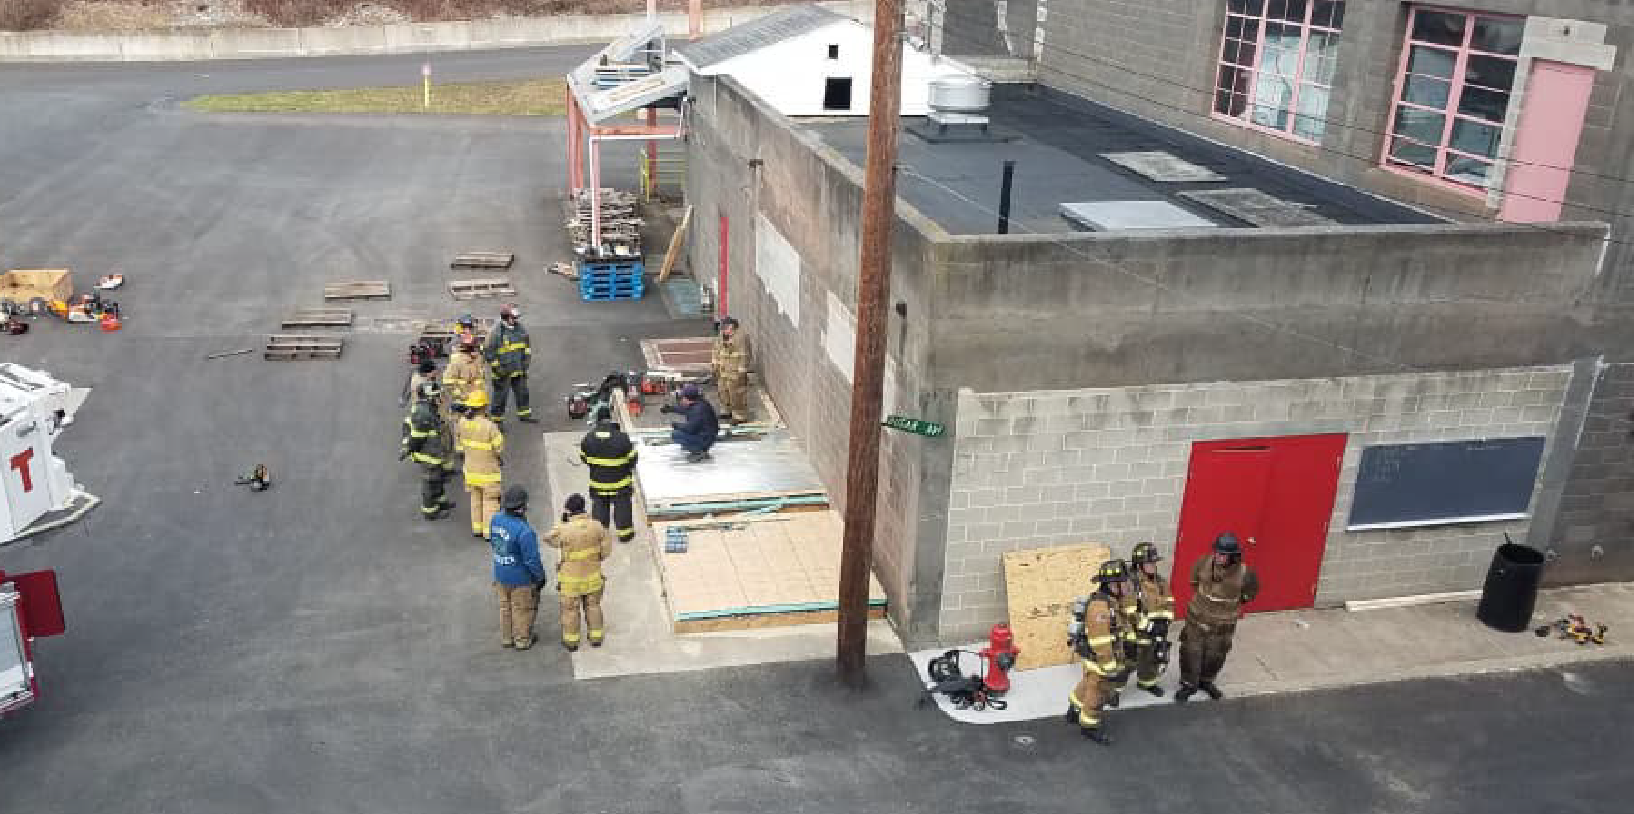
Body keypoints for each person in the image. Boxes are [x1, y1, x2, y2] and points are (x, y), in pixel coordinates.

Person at [1175, 532, 1260, 703]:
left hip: (1222, 627)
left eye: (1223, 554)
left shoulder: (1245, 573)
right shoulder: (1202, 563)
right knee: (1190, 652)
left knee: (1215, 656)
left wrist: (1229, 607)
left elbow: (1251, 593)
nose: (1218, 556)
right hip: (1197, 622)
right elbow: (1193, 582)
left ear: (1233, 556)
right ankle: (1188, 684)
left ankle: (1206, 682)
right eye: (1217, 552)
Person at [1066, 559, 1132, 745]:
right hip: (1101, 660)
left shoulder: (1110, 601)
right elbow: (1100, 641)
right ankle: (1089, 726)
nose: (1126, 586)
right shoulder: (1100, 608)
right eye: (1123, 583)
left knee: (1089, 682)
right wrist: (1109, 666)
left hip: (1099, 659)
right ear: (1112, 585)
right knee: (1098, 691)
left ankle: (1073, 710)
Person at [546, 493, 613, 651]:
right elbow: (606, 551)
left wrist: (561, 524)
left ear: (568, 510)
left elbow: (548, 539)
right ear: (584, 507)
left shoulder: (564, 530)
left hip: (570, 581)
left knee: (570, 611)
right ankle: (596, 638)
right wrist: (596, 560)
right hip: (593, 577)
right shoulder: (596, 526)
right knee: (593, 606)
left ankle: (572, 642)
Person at [489, 487, 546, 649]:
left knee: (505, 607)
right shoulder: (524, 531)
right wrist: (540, 577)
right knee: (522, 609)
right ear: (521, 508)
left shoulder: (495, 519)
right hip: (520, 579)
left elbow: (494, 543)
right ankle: (522, 640)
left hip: (500, 573)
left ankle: (507, 638)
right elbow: (532, 559)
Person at [580, 406, 638, 543]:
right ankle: (625, 534)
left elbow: (584, 458)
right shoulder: (622, 438)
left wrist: (597, 467)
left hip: (598, 482)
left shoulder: (588, 438)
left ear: (598, 420)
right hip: (620, 482)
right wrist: (625, 468)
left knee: (600, 506)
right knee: (622, 506)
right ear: (610, 419)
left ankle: (600, 536)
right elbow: (633, 458)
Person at [401, 380, 455, 521]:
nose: (440, 398)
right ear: (429, 397)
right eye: (437, 396)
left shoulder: (428, 408)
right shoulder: (423, 413)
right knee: (430, 483)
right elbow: (417, 438)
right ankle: (430, 511)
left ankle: (441, 503)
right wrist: (409, 450)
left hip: (435, 454)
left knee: (438, 479)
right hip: (428, 456)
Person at [1129, 541, 1176, 697]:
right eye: (1149, 563)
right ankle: (1114, 690)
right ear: (1139, 565)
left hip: (1157, 630)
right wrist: (1148, 626)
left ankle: (1147, 683)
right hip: (1135, 631)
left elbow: (1169, 602)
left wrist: (1166, 622)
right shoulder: (1132, 584)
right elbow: (1128, 611)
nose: (1153, 566)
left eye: (1154, 562)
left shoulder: (1161, 582)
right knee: (1126, 661)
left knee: (1151, 658)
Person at [457, 389, 505, 539]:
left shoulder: (462, 422)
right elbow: (499, 447)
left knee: (475, 499)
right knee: (490, 501)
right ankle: (489, 532)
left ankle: (477, 528)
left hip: (470, 470)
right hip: (488, 472)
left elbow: (459, 442)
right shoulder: (489, 426)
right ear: (484, 407)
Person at [484, 303, 535, 423]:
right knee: (500, 397)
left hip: (518, 369)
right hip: (503, 372)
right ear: (505, 317)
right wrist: (498, 369)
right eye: (513, 318)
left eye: (516, 318)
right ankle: (497, 420)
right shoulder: (496, 333)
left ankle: (525, 415)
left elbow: (527, 348)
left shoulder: (520, 329)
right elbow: (489, 352)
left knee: (523, 393)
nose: (516, 320)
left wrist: (525, 363)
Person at [661, 384, 718, 463]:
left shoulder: (697, 410)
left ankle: (699, 451)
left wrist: (677, 425)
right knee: (680, 433)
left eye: (683, 397)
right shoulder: (699, 403)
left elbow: (690, 429)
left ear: (687, 398)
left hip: (706, 438)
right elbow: (685, 410)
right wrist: (670, 409)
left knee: (676, 434)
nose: (681, 399)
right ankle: (696, 446)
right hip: (707, 434)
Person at [711, 316, 753, 424]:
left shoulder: (741, 337)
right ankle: (726, 410)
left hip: (735, 372)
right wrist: (715, 367)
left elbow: (745, 355)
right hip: (723, 370)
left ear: (731, 327)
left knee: (737, 394)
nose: (723, 331)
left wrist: (742, 372)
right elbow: (716, 350)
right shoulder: (721, 336)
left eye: (725, 328)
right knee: (723, 392)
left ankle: (740, 416)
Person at [443, 330, 487, 420]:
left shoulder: (478, 358)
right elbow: (448, 382)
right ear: (467, 349)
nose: (477, 350)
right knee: (464, 425)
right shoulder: (456, 361)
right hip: (464, 400)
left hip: (479, 399)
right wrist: (461, 395)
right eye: (474, 348)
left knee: (479, 424)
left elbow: (480, 375)